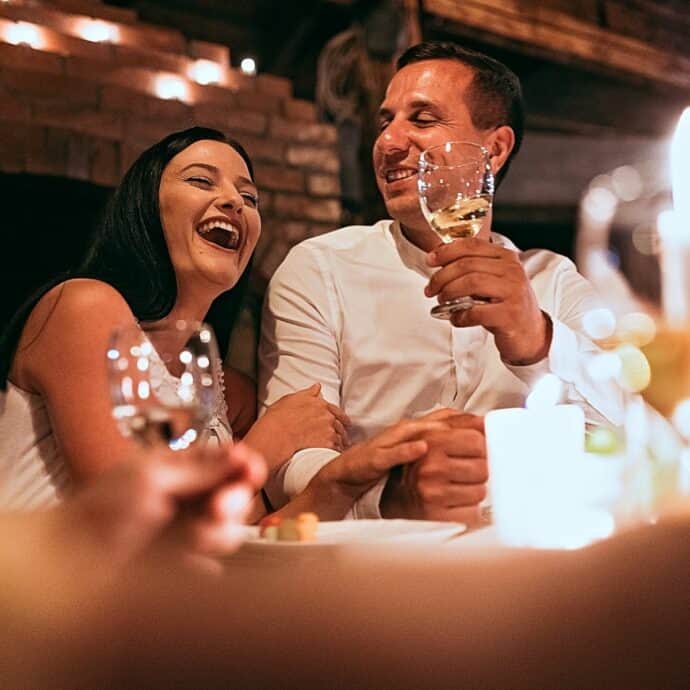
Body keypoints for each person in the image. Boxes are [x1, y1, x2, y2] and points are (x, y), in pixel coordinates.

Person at [0, 125, 446, 523]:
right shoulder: (81, 306)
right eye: (199, 180)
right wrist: (265, 447)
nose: (234, 202)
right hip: (42, 604)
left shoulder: (216, 379)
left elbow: (228, 528)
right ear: (145, 207)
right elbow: (125, 513)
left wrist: (347, 479)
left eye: (249, 198)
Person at [259, 41, 624, 522]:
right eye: (385, 121)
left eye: (423, 119)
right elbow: (292, 459)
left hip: (530, 563)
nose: (389, 142)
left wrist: (540, 342)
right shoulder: (320, 268)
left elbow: (629, 432)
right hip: (371, 571)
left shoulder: (553, 279)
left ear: (493, 150)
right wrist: (389, 496)